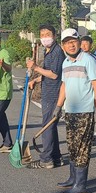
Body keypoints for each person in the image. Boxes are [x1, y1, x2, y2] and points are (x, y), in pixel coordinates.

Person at [54, 28, 96, 193]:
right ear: (63, 46)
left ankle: (80, 185)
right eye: (67, 42)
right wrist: (58, 107)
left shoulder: (88, 60)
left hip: (85, 112)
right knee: (72, 145)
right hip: (71, 111)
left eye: (73, 41)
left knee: (82, 148)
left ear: (79, 42)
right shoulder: (66, 63)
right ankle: (72, 178)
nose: (71, 45)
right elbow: (64, 86)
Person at [26, 25, 66, 169]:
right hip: (48, 91)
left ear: (54, 36)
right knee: (51, 126)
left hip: (53, 94)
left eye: (48, 34)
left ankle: (46, 159)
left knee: (47, 126)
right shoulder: (48, 50)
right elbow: (48, 73)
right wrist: (35, 80)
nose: (44, 37)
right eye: (42, 35)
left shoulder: (57, 52)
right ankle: (56, 157)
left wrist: (35, 67)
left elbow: (54, 74)